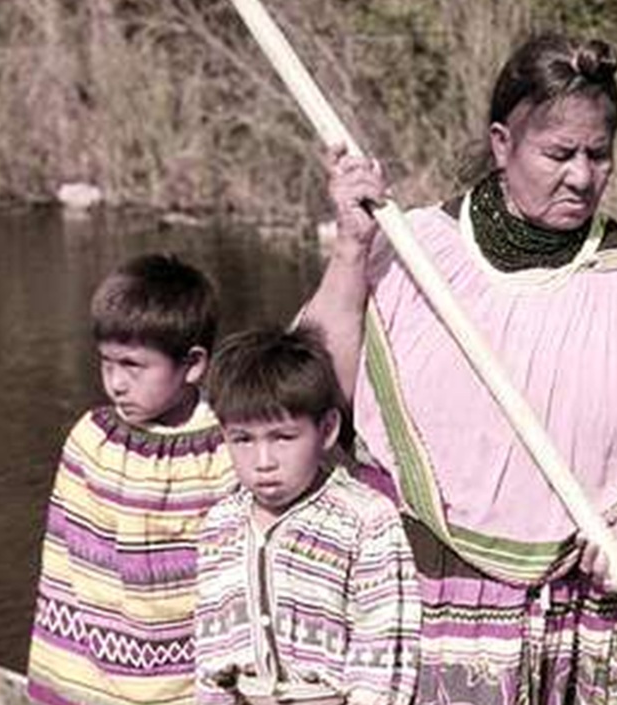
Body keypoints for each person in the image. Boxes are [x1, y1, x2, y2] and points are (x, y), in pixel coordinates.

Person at [303, 32, 617, 705]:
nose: (583, 176)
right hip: (429, 595)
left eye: (599, 154)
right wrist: (353, 248)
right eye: (559, 153)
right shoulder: (417, 252)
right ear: (502, 144)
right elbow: (314, 386)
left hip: (579, 612)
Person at [27, 253, 236, 705]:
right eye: (107, 362)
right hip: (85, 664)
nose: (116, 383)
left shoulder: (225, 450)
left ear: (193, 364)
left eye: (133, 365)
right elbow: (63, 568)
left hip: (182, 674)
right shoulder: (92, 438)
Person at [195, 325, 421, 705]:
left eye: (283, 438)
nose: (263, 462)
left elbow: (383, 646)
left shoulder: (365, 520)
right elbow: (210, 649)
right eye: (243, 439)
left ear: (327, 429)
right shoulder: (220, 524)